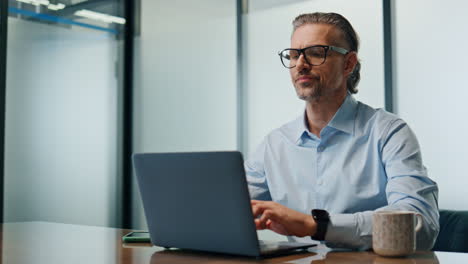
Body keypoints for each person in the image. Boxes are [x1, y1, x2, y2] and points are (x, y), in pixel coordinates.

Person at [246, 12, 439, 250]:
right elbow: (232, 212)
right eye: (294, 55)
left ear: (348, 64)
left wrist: (316, 225)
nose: (300, 65)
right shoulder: (274, 145)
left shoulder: (388, 132)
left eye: (316, 53)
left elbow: (420, 225)